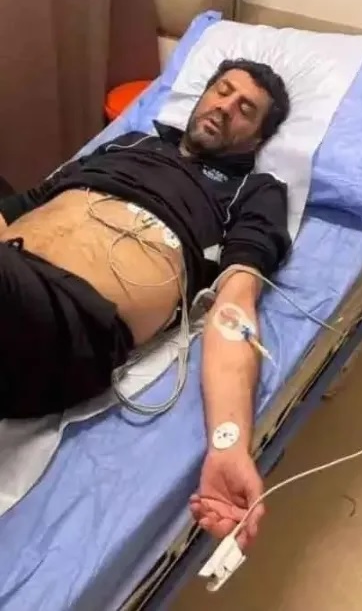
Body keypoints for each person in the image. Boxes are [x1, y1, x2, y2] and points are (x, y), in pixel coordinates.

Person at [0, 58, 291, 549]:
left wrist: (229, 443)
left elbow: (235, 304)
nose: (225, 106)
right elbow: (27, 202)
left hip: (70, 322)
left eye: (246, 109)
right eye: (222, 90)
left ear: (258, 139)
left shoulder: (255, 191)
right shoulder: (130, 142)